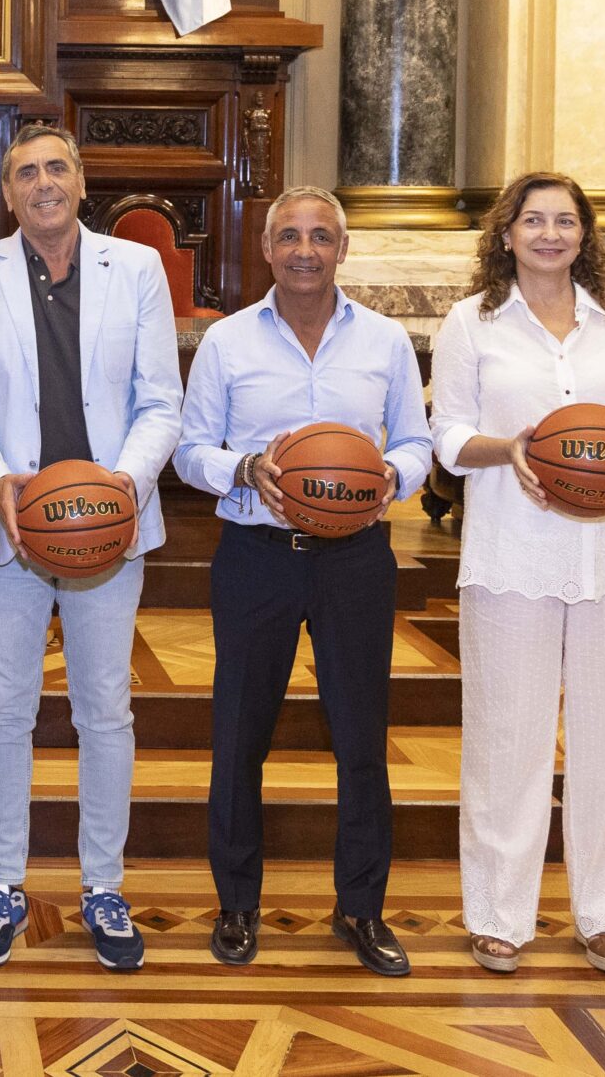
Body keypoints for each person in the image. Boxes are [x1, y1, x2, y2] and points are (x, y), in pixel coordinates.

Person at [0, 122, 182, 971]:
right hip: (10, 528)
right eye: (25, 174)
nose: (42, 183)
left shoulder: (138, 268)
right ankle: (4, 882)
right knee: (6, 707)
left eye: (56, 169)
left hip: (108, 529)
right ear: (6, 195)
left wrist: (124, 484)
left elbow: (161, 400)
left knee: (103, 709)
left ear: (81, 182)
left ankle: (102, 887)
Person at [173, 185, 431, 975]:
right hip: (257, 556)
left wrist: (389, 472)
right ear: (267, 250)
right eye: (289, 236)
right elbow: (188, 452)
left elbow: (418, 441)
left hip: (356, 561)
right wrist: (245, 467)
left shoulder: (385, 340)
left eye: (321, 236)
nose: (305, 250)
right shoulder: (226, 341)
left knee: (361, 742)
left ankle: (361, 909)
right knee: (238, 739)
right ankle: (238, 905)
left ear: (342, 249)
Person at [429, 174, 605, 975]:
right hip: (510, 551)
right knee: (507, 738)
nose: (549, 232)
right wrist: (514, 451)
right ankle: (500, 914)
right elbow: (448, 435)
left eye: (565, 220)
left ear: (584, 235)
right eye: (533, 219)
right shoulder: (473, 321)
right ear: (506, 234)